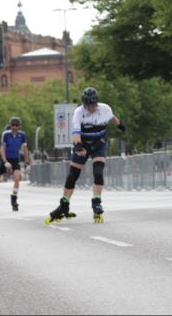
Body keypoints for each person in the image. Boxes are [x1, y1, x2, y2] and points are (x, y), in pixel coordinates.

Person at [45, 87, 124, 224]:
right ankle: (64, 204)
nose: (92, 107)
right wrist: (78, 147)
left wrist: (121, 125)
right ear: (84, 103)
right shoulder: (79, 112)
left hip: (99, 143)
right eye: (89, 105)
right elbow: (76, 133)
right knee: (73, 175)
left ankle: (96, 202)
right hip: (83, 143)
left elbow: (113, 118)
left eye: (94, 104)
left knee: (98, 171)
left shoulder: (105, 108)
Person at [0, 117, 30, 211]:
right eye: (13, 125)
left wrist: (27, 160)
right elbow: (2, 148)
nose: (14, 127)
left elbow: (25, 148)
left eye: (16, 125)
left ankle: (14, 199)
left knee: (17, 178)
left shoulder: (22, 135)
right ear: (11, 125)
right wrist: (5, 162)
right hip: (6, 158)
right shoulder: (6, 134)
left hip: (15, 159)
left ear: (19, 126)